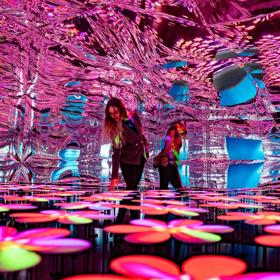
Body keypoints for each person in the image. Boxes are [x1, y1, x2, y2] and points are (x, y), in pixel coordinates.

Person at [103, 97, 148, 222]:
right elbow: (116, 152)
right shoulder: (116, 129)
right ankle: (132, 220)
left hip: (140, 158)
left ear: (121, 109)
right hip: (127, 161)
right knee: (132, 189)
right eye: (111, 114)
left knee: (131, 190)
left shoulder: (133, 117)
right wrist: (114, 177)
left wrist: (144, 142)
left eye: (116, 112)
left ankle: (122, 220)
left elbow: (140, 132)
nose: (114, 116)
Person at [158, 122, 186, 189]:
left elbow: (176, 150)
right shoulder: (170, 136)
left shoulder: (177, 139)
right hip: (166, 164)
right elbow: (167, 149)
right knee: (164, 186)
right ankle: (162, 198)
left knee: (178, 187)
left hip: (172, 164)